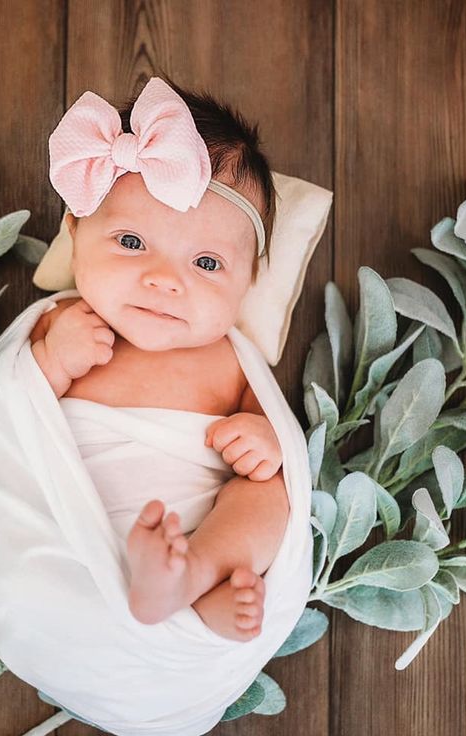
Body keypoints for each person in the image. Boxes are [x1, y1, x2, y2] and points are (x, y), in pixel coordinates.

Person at [29, 75, 291, 643]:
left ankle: (197, 578)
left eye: (205, 263)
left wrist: (267, 440)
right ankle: (182, 591)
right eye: (130, 242)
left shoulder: (232, 361)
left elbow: (277, 438)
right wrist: (52, 361)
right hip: (84, 531)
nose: (164, 281)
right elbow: (11, 419)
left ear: (249, 280)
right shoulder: (60, 325)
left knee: (267, 493)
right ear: (76, 232)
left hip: (202, 527)